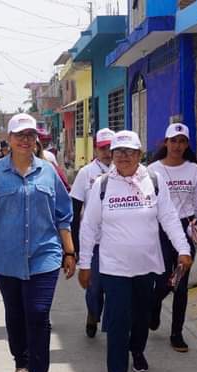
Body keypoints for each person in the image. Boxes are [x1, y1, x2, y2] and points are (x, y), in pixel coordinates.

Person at [0, 113, 75, 372]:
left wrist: (69, 251)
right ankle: (22, 363)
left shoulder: (48, 172)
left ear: (36, 139)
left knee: (39, 314)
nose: (25, 140)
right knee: (16, 313)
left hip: (45, 255)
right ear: (9, 138)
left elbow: (63, 215)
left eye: (30, 135)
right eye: (19, 135)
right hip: (5, 258)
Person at [78, 130, 191, 372]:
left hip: (146, 265)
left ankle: (137, 350)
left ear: (139, 155)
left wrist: (183, 249)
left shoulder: (153, 180)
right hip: (113, 267)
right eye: (118, 152)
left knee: (141, 317)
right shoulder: (102, 185)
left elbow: (169, 217)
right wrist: (84, 263)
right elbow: (89, 226)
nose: (123, 157)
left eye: (129, 152)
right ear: (112, 155)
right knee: (117, 321)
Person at [148, 123, 197, 352]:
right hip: (159, 231)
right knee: (161, 281)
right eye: (173, 140)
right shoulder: (152, 170)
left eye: (182, 141)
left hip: (185, 229)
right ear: (166, 142)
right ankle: (154, 306)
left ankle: (176, 333)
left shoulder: (193, 170)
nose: (177, 146)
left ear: (187, 144)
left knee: (179, 285)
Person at [70, 128, 114, 338]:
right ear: (96, 148)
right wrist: (75, 247)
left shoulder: (124, 171)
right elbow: (75, 209)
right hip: (94, 242)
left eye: (110, 148)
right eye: (103, 148)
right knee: (94, 287)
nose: (107, 152)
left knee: (114, 287)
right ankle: (92, 313)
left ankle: (114, 328)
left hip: (118, 242)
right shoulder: (86, 173)